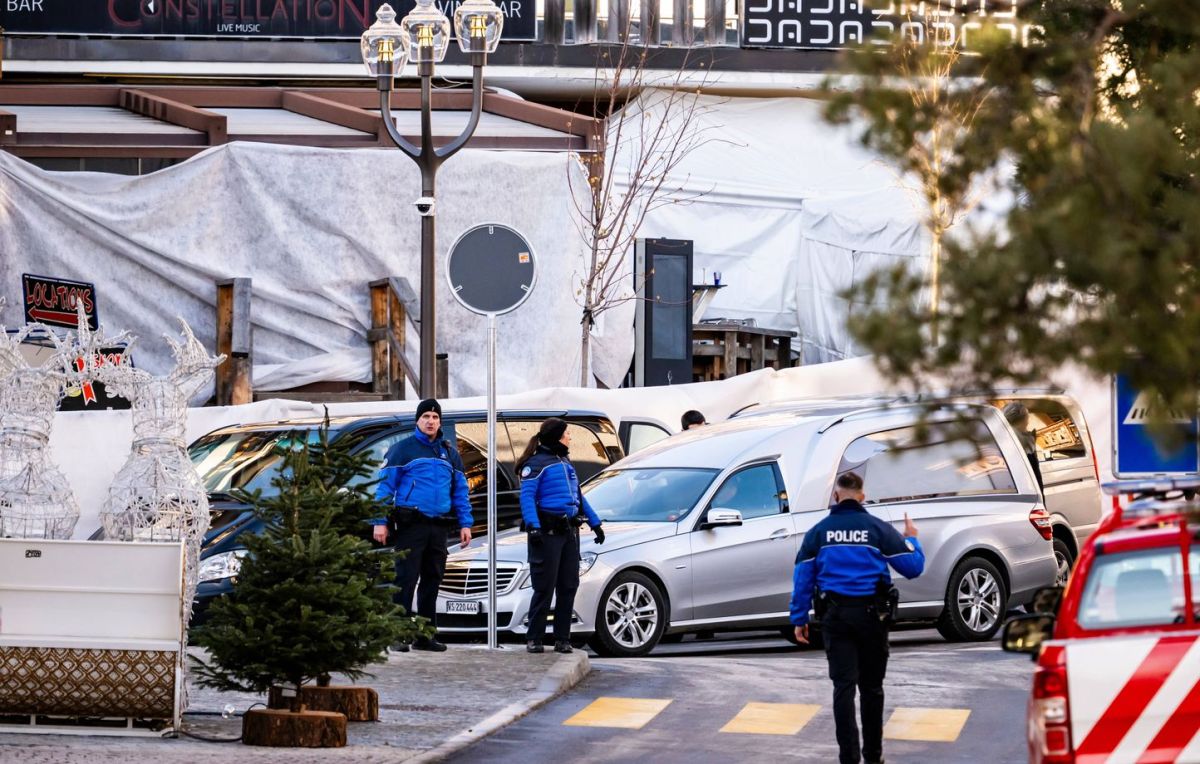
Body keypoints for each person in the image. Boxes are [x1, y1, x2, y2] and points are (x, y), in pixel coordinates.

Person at [790, 471, 924, 764]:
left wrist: (799, 619)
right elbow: (913, 567)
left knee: (843, 688)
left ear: (836, 496)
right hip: (872, 618)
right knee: (872, 688)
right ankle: (873, 757)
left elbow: (802, 579)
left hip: (835, 618)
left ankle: (848, 758)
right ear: (862, 497)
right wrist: (913, 539)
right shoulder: (877, 530)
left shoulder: (818, 533)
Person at [372, 398, 472, 653]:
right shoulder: (402, 449)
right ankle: (399, 634)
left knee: (432, 580)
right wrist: (379, 522)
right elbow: (384, 488)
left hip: (438, 526)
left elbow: (460, 491)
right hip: (411, 525)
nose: (430, 421)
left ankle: (425, 636)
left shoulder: (449, 453)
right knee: (405, 578)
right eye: (426, 416)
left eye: (435, 417)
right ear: (417, 420)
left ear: (440, 422)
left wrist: (465, 523)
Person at [518, 417, 606, 654]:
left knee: (568, 586)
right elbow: (527, 497)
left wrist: (595, 523)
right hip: (546, 533)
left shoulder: (565, 461)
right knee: (544, 587)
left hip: (569, 533)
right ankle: (534, 638)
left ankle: (562, 639)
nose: (570, 437)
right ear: (557, 436)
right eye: (567, 433)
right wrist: (533, 526)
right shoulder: (536, 464)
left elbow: (578, 496)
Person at [1003, 401, 1044, 493]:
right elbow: (1035, 474)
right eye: (1027, 417)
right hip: (1026, 491)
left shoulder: (1001, 438)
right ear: (1024, 420)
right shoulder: (1025, 441)